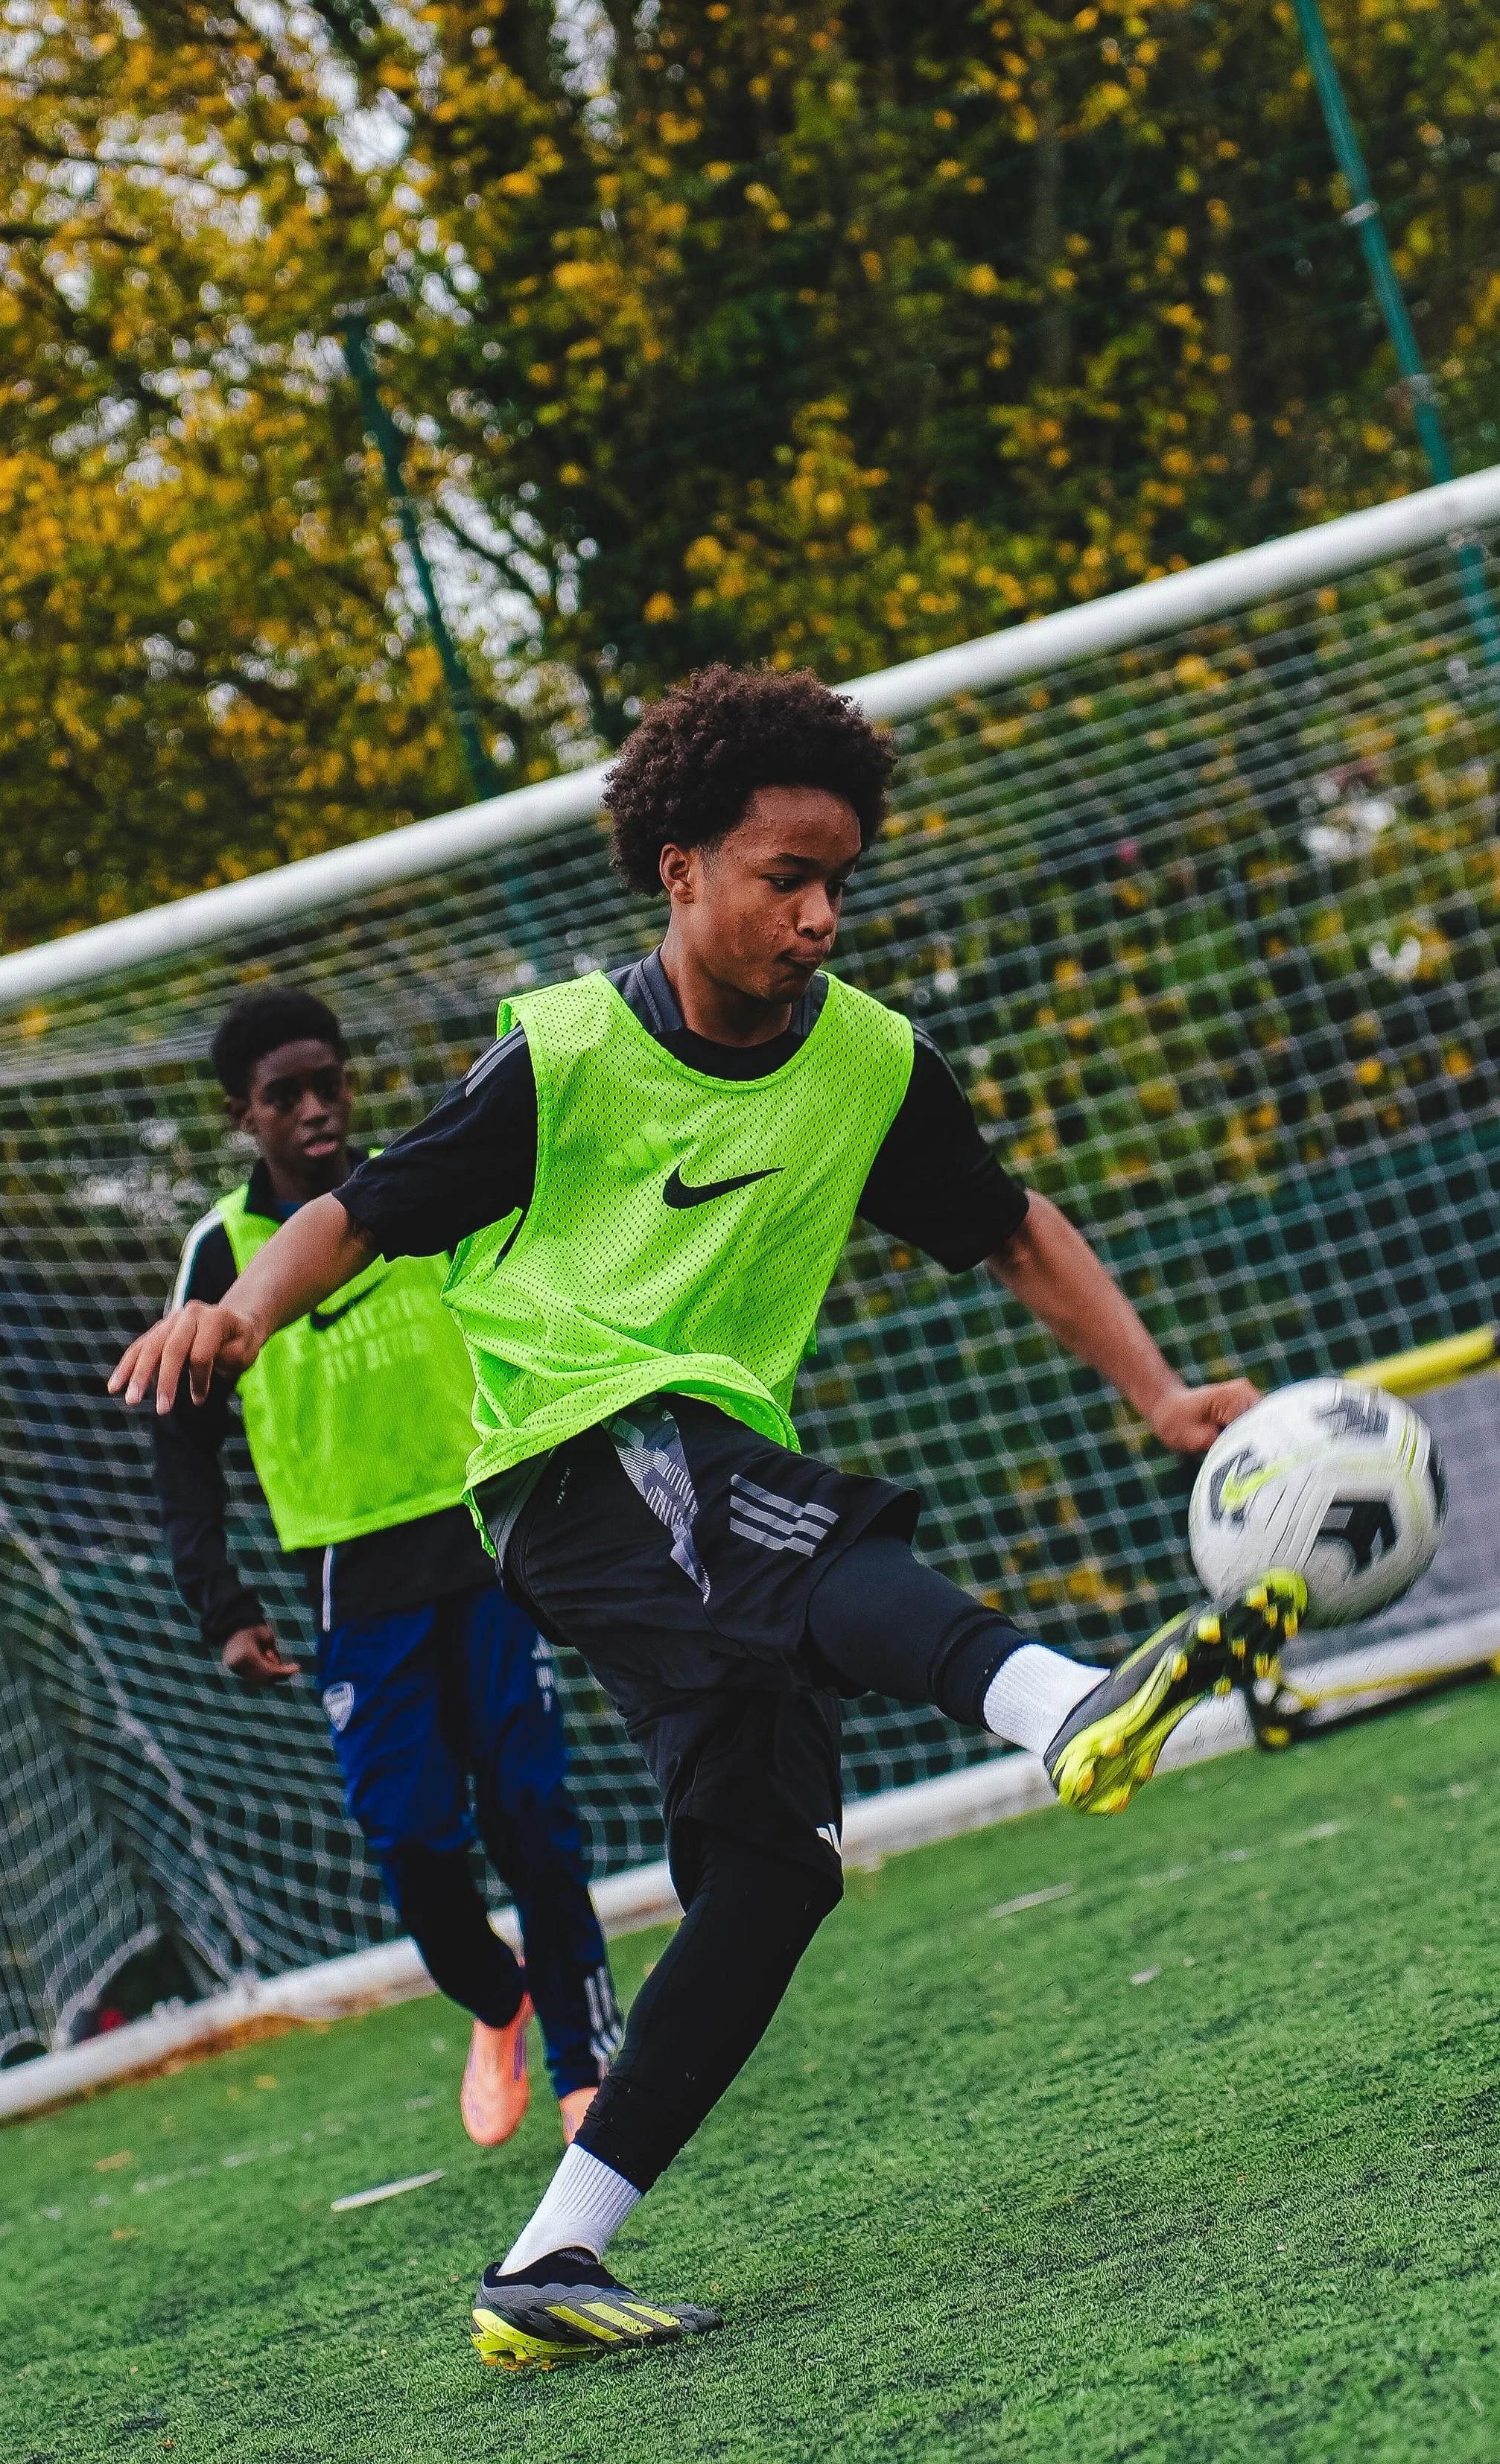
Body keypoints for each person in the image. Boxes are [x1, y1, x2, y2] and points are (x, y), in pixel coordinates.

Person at [113, 669, 1298, 2375]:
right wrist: (239, 1314)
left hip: (702, 1471)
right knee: (795, 1536)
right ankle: (1061, 1703)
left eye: (838, 882)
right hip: (565, 1462)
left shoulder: (869, 1059)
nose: (818, 915)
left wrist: (1163, 1397)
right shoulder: (565, 1051)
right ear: (679, 870)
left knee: (766, 1873)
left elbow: (1006, 1223)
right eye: (781, 877)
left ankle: (548, 2256)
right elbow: (366, 1214)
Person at [144, 983, 620, 2152]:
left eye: (329, 1083)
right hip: (352, 1588)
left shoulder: (420, 1188)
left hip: (489, 1542)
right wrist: (223, 1604)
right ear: (241, 1117)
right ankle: (497, 1999)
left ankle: (585, 2064)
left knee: (530, 1810)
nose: (315, 1109)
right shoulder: (223, 1250)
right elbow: (181, 1440)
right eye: (283, 1095)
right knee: (409, 1837)